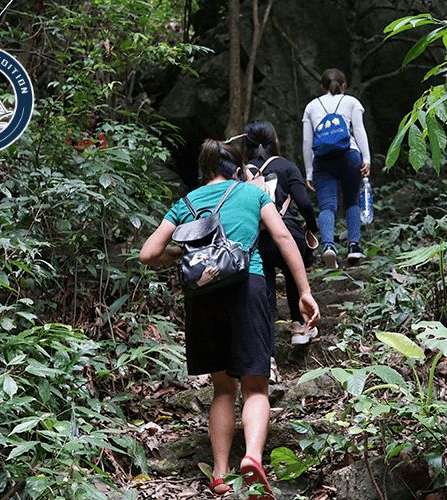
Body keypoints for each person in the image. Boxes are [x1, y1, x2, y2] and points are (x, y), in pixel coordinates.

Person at [139, 139, 320, 498]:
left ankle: (219, 474)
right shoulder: (251, 195)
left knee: (223, 388)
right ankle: (252, 458)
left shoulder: (185, 203)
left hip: (203, 297)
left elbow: (148, 253)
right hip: (247, 287)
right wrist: (303, 290)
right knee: (255, 386)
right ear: (236, 167)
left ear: (204, 169)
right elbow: (283, 236)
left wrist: (183, 253)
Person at [244, 120, 319, 345]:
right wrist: (312, 228)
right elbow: (305, 204)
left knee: (265, 286)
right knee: (293, 275)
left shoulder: (242, 172)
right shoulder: (286, 166)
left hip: (258, 237)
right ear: (274, 141)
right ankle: (299, 326)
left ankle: (266, 345)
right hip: (287, 230)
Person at [302, 68, 371, 268]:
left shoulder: (311, 106)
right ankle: (354, 246)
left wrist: (308, 171)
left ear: (322, 87)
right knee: (351, 202)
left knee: (327, 206)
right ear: (344, 86)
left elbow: (307, 140)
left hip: (323, 160)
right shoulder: (351, 102)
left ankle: (329, 247)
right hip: (349, 156)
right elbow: (358, 130)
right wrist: (366, 159)